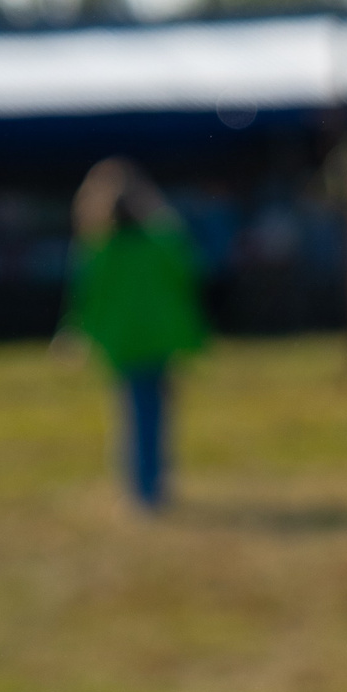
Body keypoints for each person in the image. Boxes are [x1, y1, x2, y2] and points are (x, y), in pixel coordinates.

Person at [60, 158, 206, 510]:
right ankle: (152, 486)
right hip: (160, 340)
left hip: (123, 343)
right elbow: (189, 271)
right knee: (156, 411)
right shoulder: (162, 243)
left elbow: (86, 302)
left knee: (134, 412)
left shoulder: (98, 251)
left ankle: (142, 488)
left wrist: (80, 337)